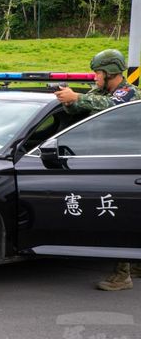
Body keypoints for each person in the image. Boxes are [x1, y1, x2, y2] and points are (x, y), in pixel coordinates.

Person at [55, 49, 141, 291]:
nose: (94, 77)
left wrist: (77, 97)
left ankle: (122, 275)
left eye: (97, 73)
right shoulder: (100, 92)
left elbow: (111, 106)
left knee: (119, 216)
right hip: (112, 160)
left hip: (125, 163)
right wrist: (68, 100)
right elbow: (80, 109)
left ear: (110, 72)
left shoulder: (127, 91)